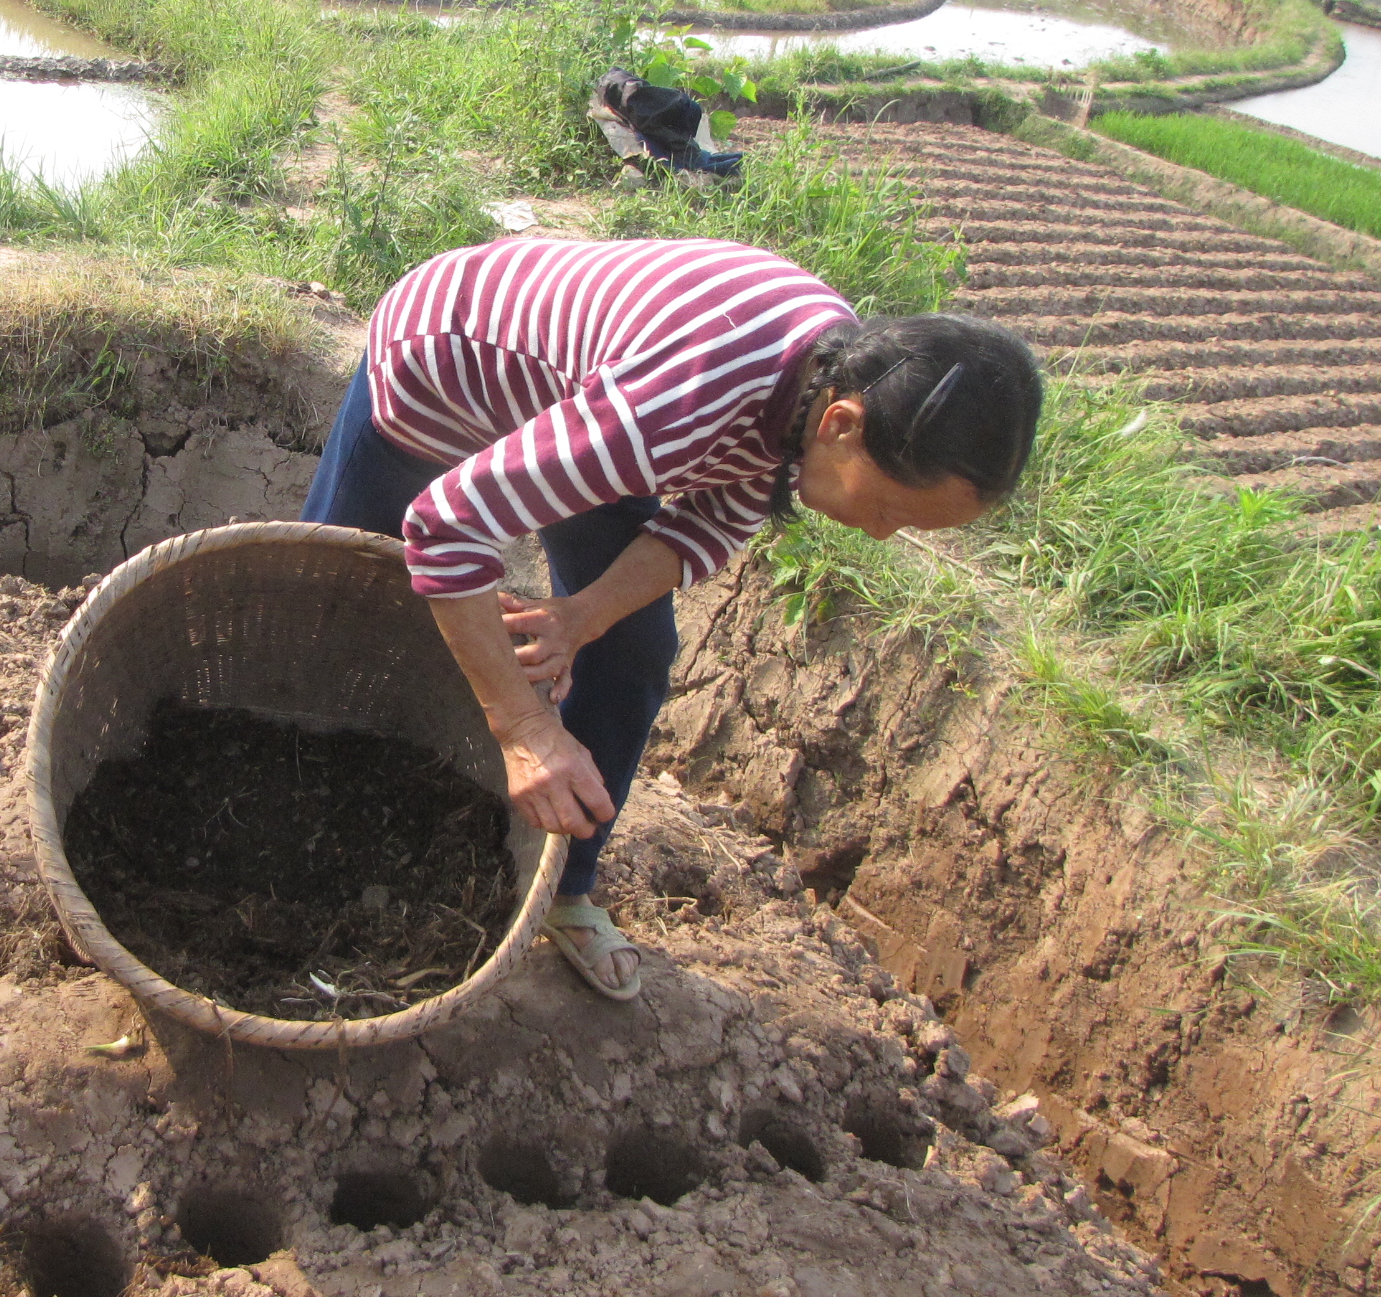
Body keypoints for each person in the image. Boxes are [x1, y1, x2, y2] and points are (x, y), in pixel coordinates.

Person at [301, 236, 1042, 1001]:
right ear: (842, 426)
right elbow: (446, 526)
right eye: (889, 509)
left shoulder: (829, 385)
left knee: (631, 648)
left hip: (594, 401)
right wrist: (523, 730)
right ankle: (301, 771)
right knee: (331, 599)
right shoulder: (685, 402)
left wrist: (581, 616)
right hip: (450, 363)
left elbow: (710, 519)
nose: (883, 534)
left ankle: (562, 890)